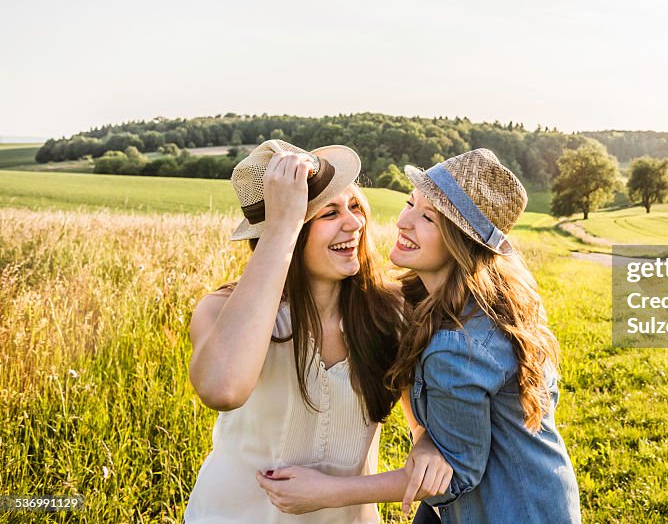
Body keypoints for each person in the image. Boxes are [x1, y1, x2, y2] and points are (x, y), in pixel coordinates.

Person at [258, 148, 581, 523]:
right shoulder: (480, 303)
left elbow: (453, 477)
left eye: (428, 217)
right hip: (545, 496)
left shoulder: (457, 345)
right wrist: (423, 435)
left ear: (461, 244)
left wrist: (327, 492)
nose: (404, 222)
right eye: (411, 203)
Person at [185, 139, 451, 523]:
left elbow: (420, 423)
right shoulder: (221, 309)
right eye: (329, 212)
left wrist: (425, 444)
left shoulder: (391, 314)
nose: (354, 223)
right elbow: (223, 389)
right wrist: (282, 226)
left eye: (355, 206)